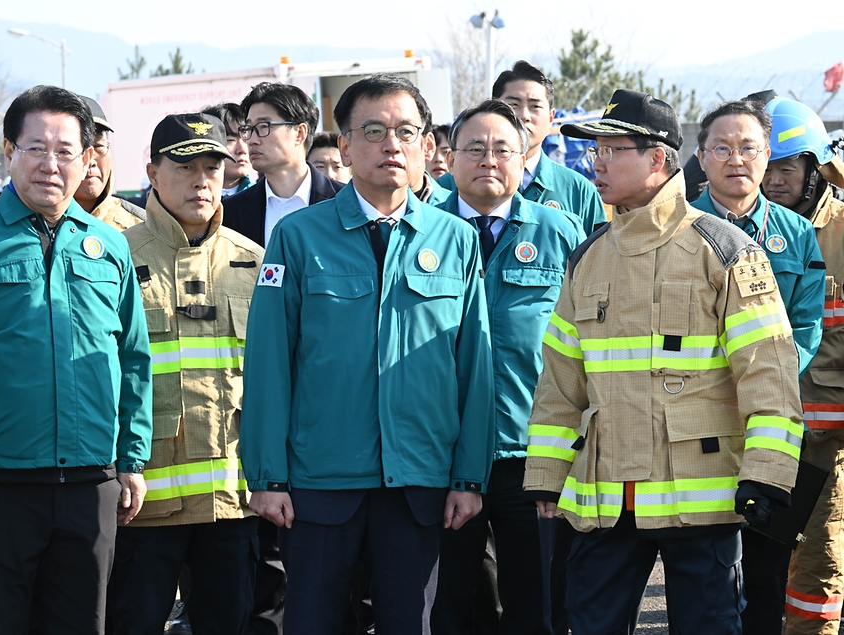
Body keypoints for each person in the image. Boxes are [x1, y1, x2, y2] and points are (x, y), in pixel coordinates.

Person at [524, 89, 804, 635]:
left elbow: (768, 373)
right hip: (605, 500)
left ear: (658, 159)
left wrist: (768, 475)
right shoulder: (588, 255)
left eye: (612, 149)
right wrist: (545, 475)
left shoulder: (724, 250)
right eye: (594, 150)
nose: (595, 163)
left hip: (701, 497)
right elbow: (560, 380)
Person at [240, 73, 495, 634]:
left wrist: (469, 476)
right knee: (312, 622)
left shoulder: (455, 239)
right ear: (345, 146)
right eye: (373, 131)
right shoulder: (299, 237)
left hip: (419, 483)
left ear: (429, 147)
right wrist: (267, 474)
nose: (391, 145)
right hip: (319, 481)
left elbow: (473, 367)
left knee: (410, 623)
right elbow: (268, 362)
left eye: (406, 132)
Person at [0, 85, 153, 635]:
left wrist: (132, 459)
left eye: (66, 150)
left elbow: (133, 358)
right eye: (36, 148)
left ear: (87, 159)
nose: (51, 164)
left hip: (92, 482)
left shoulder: (111, 245)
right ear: (10, 151)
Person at [430, 99, 585, 635]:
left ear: (525, 158)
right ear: (449, 158)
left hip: (532, 451)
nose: (488, 160)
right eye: (474, 148)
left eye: (503, 149)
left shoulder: (559, 232)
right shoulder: (421, 232)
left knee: (536, 596)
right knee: (450, 596)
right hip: (441, 450)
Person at [107, 113, 264, 634]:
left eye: (212, 167)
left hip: (231, 502)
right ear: (152, 172)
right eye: (185, 165)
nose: (201, 180)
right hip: (142, 503)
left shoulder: (253, 263)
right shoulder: (115, 259)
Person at [688, 99, 824, 634]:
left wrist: (769, 384)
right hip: (699, 429)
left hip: (774, 430)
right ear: (701, 157)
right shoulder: (675, 229)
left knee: (767, 576)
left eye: (749, 147)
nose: (736, 159)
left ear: (767, 156)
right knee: (701, 577)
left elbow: (808, 325)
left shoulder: (796, 234)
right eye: (722, 147)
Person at [760, 97, 844, 635]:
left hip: (824, 443)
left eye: (786, 168)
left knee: (817, 564)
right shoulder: (743, 229)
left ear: (814, 168)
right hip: (758, 435)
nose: (772, 180)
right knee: (758, 566)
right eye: (765, 166)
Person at [438, 61, 606, 237]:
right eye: (514, 105)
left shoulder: (579, 190)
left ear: (551, 118)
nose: (524, 116)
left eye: (535, 106)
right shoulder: (449, 184)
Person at [222, 82, 344, 247]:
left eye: (263, 126)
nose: (251, 141)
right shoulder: (229, 212)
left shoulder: (345, 202)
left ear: (299, 133)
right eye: (248, 129)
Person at [73, 95, 145, 231]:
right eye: (80, 149)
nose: (90, 161)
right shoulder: (34, 227)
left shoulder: (140, 227)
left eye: (98, 147)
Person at [201, 102, 255, 197]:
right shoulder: (189, 196)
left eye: (246, 138)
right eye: (230, 140)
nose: (242, 150)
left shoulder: (262, 198)